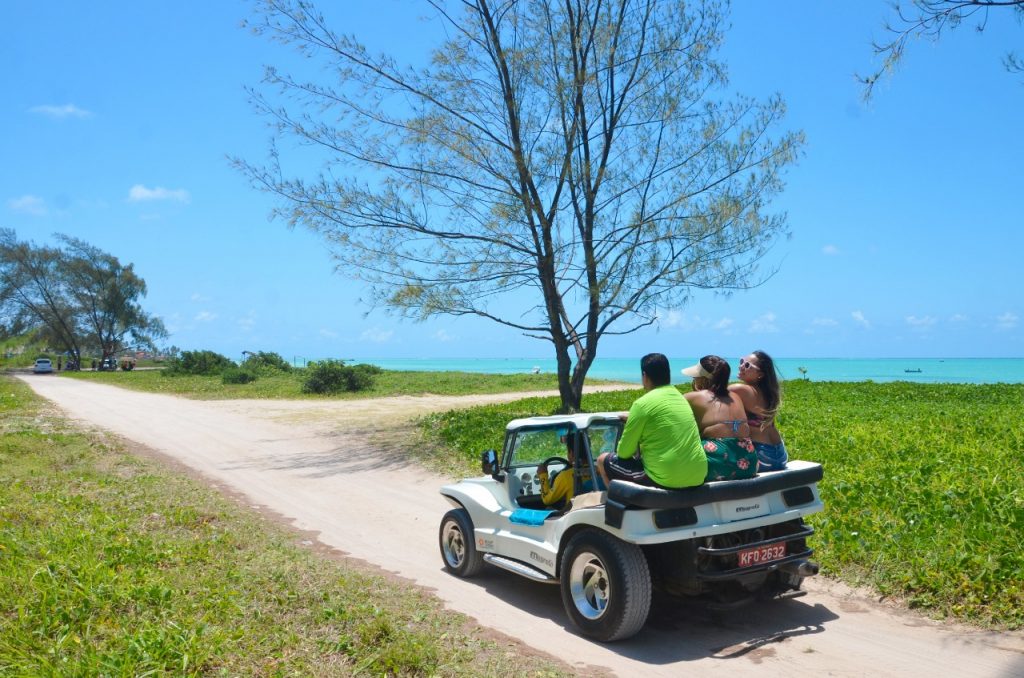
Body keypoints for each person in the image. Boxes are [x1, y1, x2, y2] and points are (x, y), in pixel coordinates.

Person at [596, 353, 706, 489]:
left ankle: (619, 508)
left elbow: (624, 453)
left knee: (602, 460)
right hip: (697, 475)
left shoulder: (641, 405)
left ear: (644, 375)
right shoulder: (681, 399)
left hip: (664, 478)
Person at [681, 355, 758, 481]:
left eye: (695, 377)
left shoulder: (692, 397)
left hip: (716, 464)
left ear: (702, 379)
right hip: (749, 464)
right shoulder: (736, 397)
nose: (694, 379)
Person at [729, 350, 788, 471]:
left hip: (762, 456)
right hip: (781, 456)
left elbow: (711, 395)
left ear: (760, 374)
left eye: (747, 365)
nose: (741, 366)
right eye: (742, 361)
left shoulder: (740, 389)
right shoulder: (770, 394)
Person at [536, 433, 592, 509]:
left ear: (571, 453)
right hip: (593, 510)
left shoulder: (565, 476)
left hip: (573, 515)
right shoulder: (598, 471)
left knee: (548, 508)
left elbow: (547, 500)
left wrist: (542, 475)